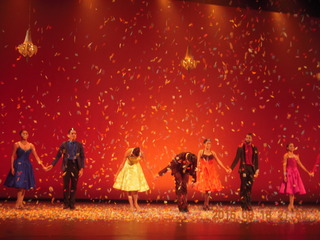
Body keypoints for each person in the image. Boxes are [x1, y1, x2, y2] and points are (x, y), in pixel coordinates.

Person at [45, 128, 85, 210]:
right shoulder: (64, 144)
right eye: (72, 133)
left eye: (75, 133)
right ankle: (66, 204)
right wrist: (52, 165)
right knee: (66, 185)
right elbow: (58, 156)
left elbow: (82, 157)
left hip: (75, 166)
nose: (74, 135)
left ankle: (72, 204)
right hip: (67, 165)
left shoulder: (79, 145)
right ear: (68, 135)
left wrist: (81, 168)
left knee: (74, 186)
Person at [4, 130, 45, 208]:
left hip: (27, 165)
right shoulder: (17, 144)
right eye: (23, 133)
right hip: (19, 165)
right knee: (20, 185)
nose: (25, 135)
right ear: (20, 135)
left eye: (26, 133)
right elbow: (12, 156)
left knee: (24, 184)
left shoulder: (31, 145)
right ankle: (17, 203)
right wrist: (12, 167)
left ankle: (20, 203)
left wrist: (43, 166)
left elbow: (36, 157)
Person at [194, 139, 231, 210]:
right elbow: (198, 161)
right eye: (207, 143)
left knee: (209, 189)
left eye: (210, 143)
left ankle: (206, 204)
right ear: (204, 144)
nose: (209, 145)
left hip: (211, 172)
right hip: (204, 171)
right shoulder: (201, 152)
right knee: (206, 189)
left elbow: (218, 161)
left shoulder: (212, 153)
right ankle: (206, 204)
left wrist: (225, 168)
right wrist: (197, 169)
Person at [279, 143, 313, 211]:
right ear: (287, 148)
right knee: (290, 190)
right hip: (289, 173)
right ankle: (291, 206)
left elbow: (301, 165)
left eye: (293, 146)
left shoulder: (296, 156)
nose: (292, 147)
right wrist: (285, 175)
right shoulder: (286, 155)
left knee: (294, 190)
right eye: (290, 146)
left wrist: (308, 172)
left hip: (295, 174)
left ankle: (291, 205)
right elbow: (284, 165)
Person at [230, 133, 259, 211]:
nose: (248, 139)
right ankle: (243, 205)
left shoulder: (254, 148)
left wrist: (257, 170)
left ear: (251, 139)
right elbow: (237, 158)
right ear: (245, 139)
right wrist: (231, 168)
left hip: (251, 169)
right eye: (247, 138)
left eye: (249, 138)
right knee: (243, 187)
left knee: (249, 187)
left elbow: (256, 160)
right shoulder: (241, 148)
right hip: (243, 168)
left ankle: (249, 205)